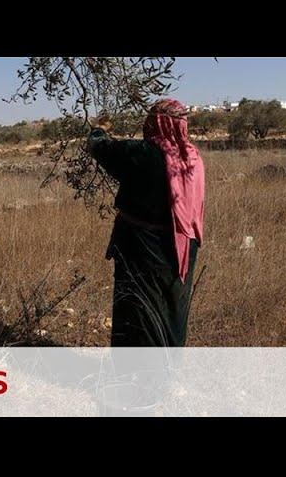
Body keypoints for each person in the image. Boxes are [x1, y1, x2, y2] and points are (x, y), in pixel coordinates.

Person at [87, 99, 205, 347]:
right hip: (184, 247)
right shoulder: (193, 158)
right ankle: (167, 370)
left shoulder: (142, 154)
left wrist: (99, 128)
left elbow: (100, 147)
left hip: (142, 248)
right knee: (173, 310)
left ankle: (139, 376)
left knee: (138, 309)